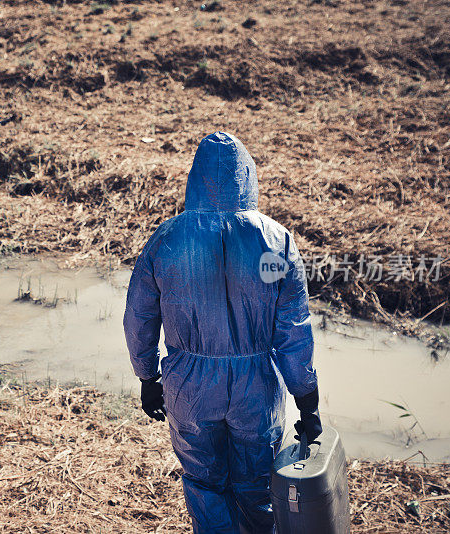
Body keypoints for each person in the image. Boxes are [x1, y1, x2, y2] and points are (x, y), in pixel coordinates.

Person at [123, 132, 322, 533]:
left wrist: (147, 376)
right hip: (256, 386)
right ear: (247, 177)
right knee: (256, 485)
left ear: (194, 178)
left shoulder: (166, 238)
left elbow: (139, 317)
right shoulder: (275, 241)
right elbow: (293, 329)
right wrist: (308, 399)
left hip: (189, 386)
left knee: (204, 483)